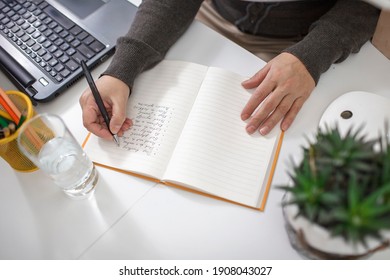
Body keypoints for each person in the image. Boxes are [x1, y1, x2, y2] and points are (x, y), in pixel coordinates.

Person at [79, 0, 380, 141]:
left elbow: (366, 6)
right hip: (204, 13)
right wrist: (121, 69)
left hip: (299, 40)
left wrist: (311, 56)